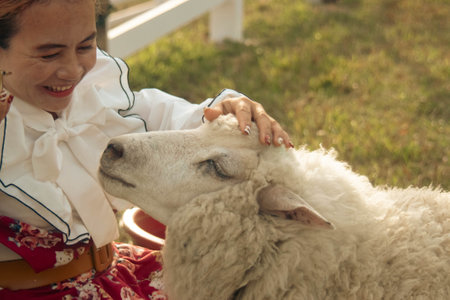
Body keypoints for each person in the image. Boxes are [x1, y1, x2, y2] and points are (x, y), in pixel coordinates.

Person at [0, 0, 292, 298]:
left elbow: (175, 120)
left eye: (86, 46)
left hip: (111, 275)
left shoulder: (94, 99)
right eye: (49, 54)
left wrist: (226, 113)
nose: (73, 70)